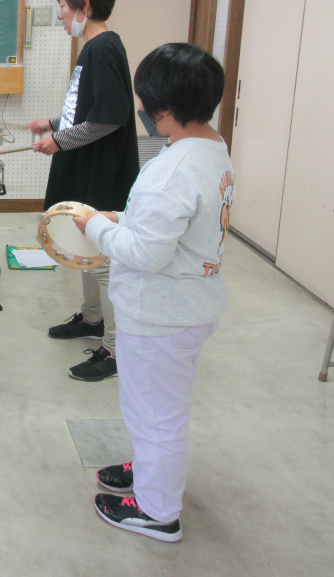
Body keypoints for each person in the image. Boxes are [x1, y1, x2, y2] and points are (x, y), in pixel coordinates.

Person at [73, 42, 234, 542]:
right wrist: (125, 218)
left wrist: (95, 225)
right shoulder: (211, 148)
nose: (140, 107)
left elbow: (145, 253)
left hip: (160, 315)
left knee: (156, 414)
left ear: (164, 108)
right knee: (157, 407)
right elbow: (173, 224)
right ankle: (149, 471)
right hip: (190, 306)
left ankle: (157, 511)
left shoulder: (171, 171)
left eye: (144, 99)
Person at [25, 0, 139, 381]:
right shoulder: (94, 48)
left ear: (83, 5)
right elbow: (86, 111)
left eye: (62, 5)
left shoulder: (103, 48)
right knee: (86, 249)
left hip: (102, 171)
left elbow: (109, 119)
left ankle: (116, 351)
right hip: (87, 164)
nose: (59, 14)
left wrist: (60, 141)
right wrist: (53, 124)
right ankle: (92, 319)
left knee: (102, 257)